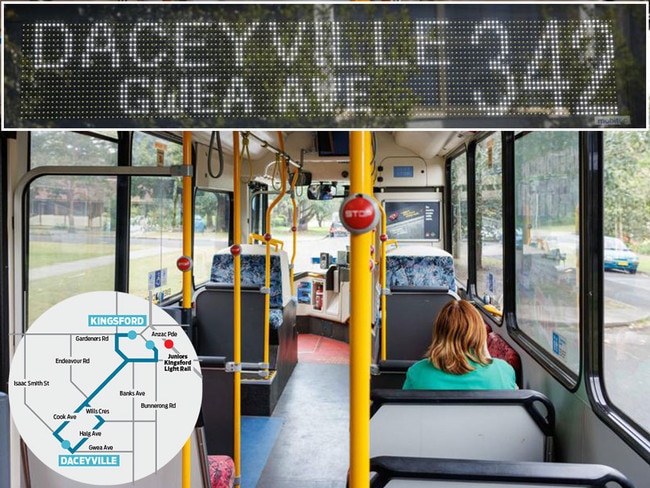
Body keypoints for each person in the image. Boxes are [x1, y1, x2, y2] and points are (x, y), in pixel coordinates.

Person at [403, 300, 516, 390]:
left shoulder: (417, 372)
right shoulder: (503, 370)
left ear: (438, 333)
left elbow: (406, 410)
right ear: (480, 334)